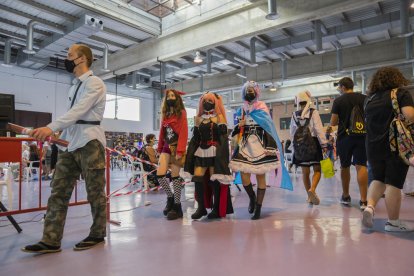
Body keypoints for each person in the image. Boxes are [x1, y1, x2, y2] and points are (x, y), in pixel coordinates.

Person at [22, 44, 107, 253]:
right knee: (58, 191)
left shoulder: (95, 83)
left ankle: (97, 234)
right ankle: (50, 240)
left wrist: (50, 128)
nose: (66, 59)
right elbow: (72, 116)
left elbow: (79, 111)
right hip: (70, 144)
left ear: (82, 59)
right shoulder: (73, 86)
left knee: (95, 192)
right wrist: (58, 135)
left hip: (90, 143)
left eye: (70, 55)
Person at [362, 67, 414, 232]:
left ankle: (369, 207)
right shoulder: (400, 94)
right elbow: (409, 115)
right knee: (394, 183)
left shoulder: (369, 99)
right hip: (395, 145)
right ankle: (393, 222)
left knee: (378, 178)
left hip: (372, 145)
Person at [229, 81, 286, 220]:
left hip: (260, 144)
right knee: (244, 176)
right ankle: (252, 198)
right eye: (247, 90)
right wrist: (239, 125)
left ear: (256, 92)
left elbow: (268, 126)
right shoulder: (241, 110)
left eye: (252, 90)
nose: (249, 92)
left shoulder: (262, 107)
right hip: (245, 145)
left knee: (261, 176)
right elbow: (235, 129)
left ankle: (258, 208)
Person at [184, 92, 234, 220]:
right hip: (201, 150)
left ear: (215, 102)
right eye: (205, 100)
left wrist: (222, 156)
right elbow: (195, 139)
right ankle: (201, 208)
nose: (207, 102)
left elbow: (223, 138)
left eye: (210, 100)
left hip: (214, 151)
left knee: (214, 179)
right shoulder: (198, 118)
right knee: (198, 178)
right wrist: (189, 155)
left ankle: (216, 208)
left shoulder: (220, 117)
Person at [330, 77, 368, 209]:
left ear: (343, 87)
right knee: (361, 166)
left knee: (344, 166)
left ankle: (346, 196)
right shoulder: (364, 98)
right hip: (362, 136)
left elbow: (333, 122)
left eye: (339, 87)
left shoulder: (339, 100)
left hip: (344, 137)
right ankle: (363, 201)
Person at [290, 91, 327, 205]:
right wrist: (324, 144)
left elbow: (292, 133)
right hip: (313, 144)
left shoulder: (294, 114)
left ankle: (309, 197)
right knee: (317, 170)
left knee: (305, 173)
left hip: (300, 146)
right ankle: (313, 189)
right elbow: (318, 129)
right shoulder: (313, 112)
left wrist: (294, 147)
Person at [156, 89, 188, 220]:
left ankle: (177, 205)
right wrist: (158, 148)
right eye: (168, 96)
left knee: (175, 177)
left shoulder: (181, 112)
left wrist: (180, 150)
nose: (170, 98)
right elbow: (162, 132)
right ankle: (170, 197)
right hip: (165, 147)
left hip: (176, 147)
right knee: (160, 175)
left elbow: (184, 131)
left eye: (172, 95)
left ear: (177, 98)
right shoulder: (165, 114)